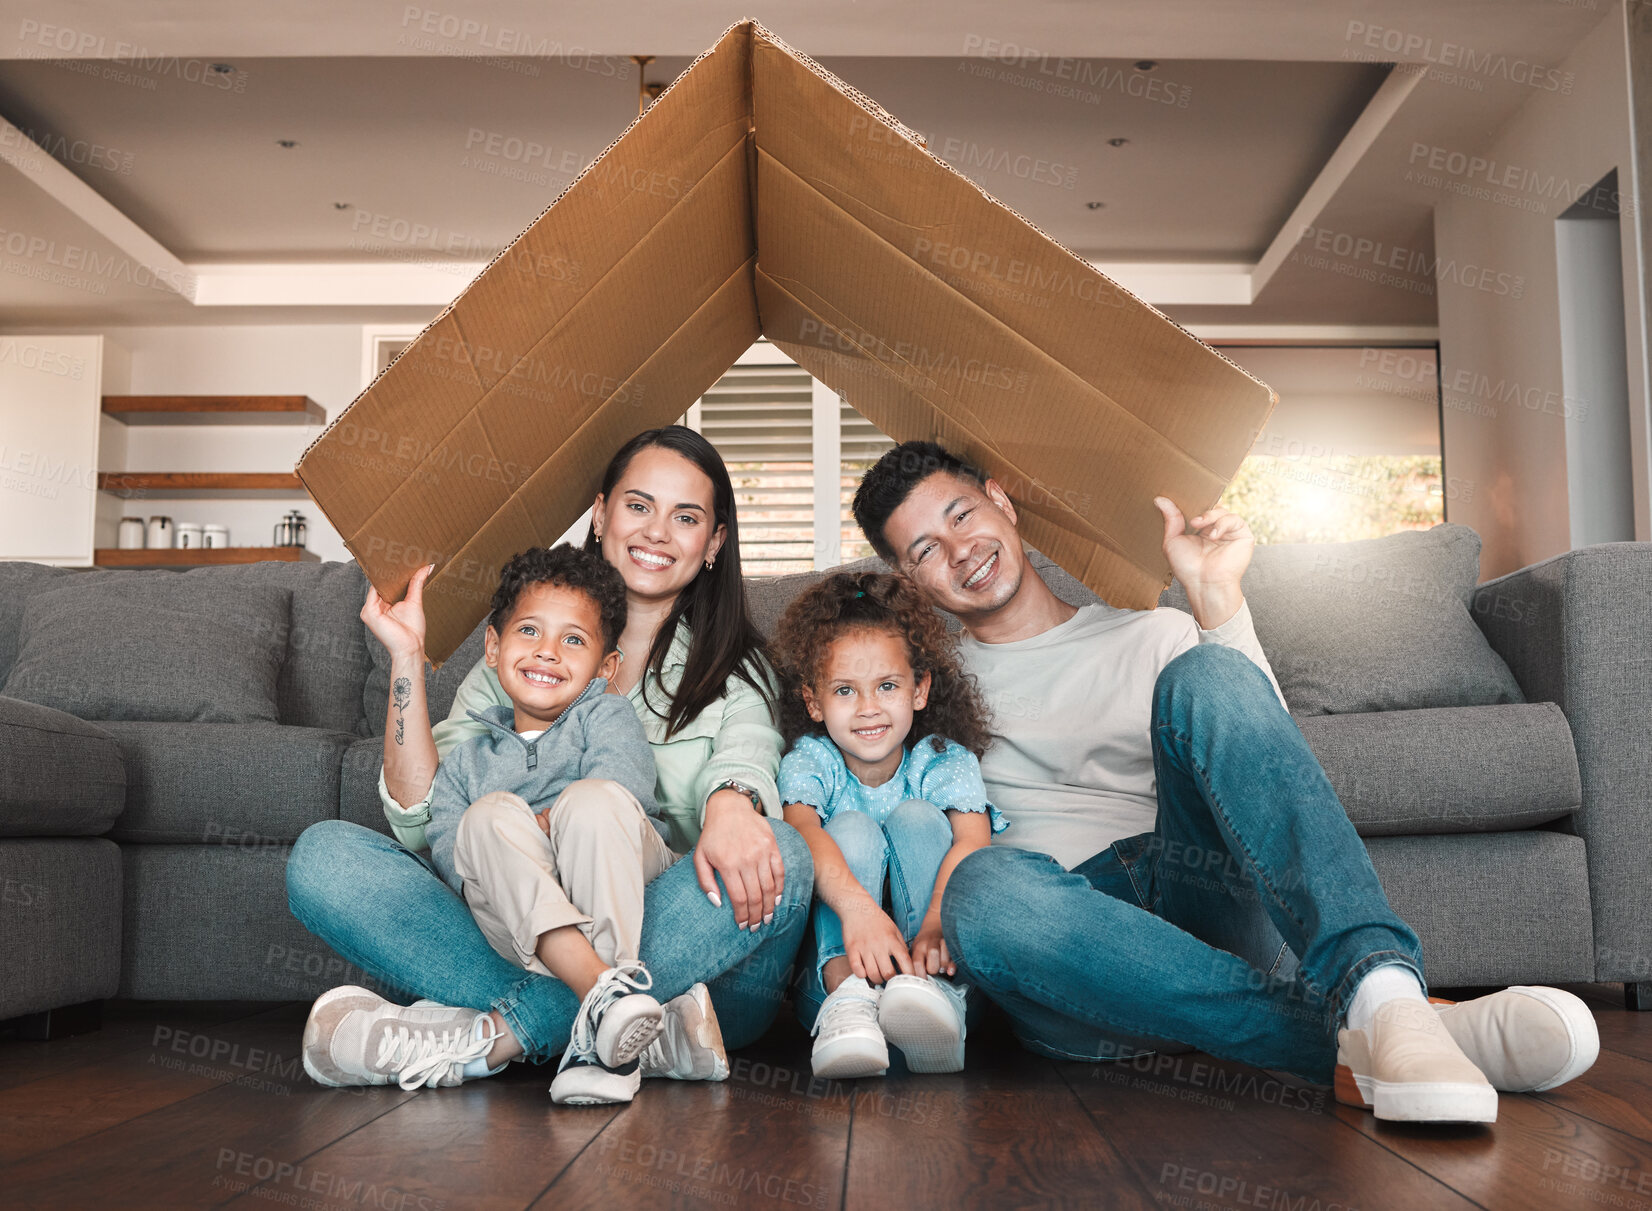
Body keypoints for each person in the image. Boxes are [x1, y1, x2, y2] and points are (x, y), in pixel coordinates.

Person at [849, 440, 1599, 1124]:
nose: (961, 550)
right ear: (907, 581)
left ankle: (1385, 992)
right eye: (925, 550)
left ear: (1002, 501)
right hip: (1075, 952)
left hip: (1195, 893)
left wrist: (1216, 597)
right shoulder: (920, 689)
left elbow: (1268, 765)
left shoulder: (1153, 632)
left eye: (963, 515)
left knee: (1207, 672)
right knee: (984, 887)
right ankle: (1400, 1032)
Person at [288, 426, 813, 1096]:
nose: (656, 531)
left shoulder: (737, 671)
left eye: (685, 517)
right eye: (638, 505)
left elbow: (746, 758)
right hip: (521, 925)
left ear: (712, 543)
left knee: (786, 852)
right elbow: (423, 820)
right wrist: (406, 662)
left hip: (683, 945)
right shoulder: (517, 658)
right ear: (600, 513)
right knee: (325, 857)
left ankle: (489, 1038)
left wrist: (733, 803)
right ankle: (645, 1031)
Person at [418, 543, 677, 1105]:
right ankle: (605, 1002)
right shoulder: (464, 765)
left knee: (592, 801)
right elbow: (451, 859)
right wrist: (516, 843)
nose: (548, 653)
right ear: (493, 646)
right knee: (484, 820)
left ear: (606, 668)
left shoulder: (606, 713)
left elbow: (622, 789)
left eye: (574, 640)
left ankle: (595, 1027)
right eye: (529, 631)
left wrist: (548, 824)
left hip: (620, 874)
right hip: (522, 919)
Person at [769, 571, 1002, 1079]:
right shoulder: (811, 761)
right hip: (830, 984)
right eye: (845, 690)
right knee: (847, 828)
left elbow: (973, 841)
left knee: (918, 816)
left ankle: (935, 1000)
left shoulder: (942, 759)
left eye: (888, 686)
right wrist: (858, 913)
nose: (869, 708)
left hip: (944, 970)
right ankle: (849, 1000)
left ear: (919, 690)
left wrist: (938, 921)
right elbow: (802, 831)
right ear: (814, 702)